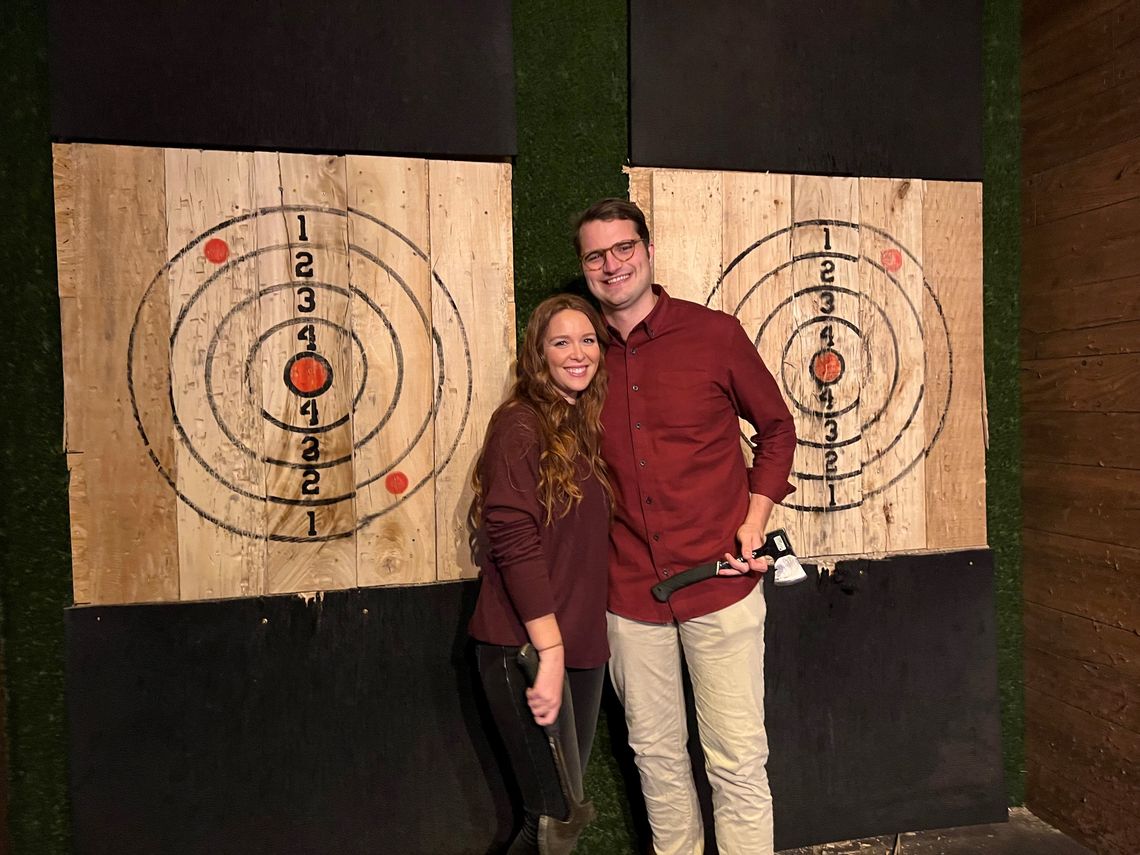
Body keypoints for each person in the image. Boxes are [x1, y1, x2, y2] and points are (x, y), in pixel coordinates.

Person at [573, 198, 797, 855]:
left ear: (646, 249)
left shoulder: (715, 334)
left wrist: (755, 520)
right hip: (631, 598)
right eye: (595, 255)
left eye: (623, 248)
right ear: (584, 267)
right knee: (658, 762)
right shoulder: (580, 357)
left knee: (736, 761)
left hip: (722, 588)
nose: (612, 264)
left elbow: (778, 428)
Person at [468, 293, 613, 855]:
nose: (578, 354)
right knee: (552, 821)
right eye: (561, 342)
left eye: (588, 340)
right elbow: (512, 538)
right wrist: (548, 652)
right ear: (538, 354)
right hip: (524, 647)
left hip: (576, 648)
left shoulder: (580, 428)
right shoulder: (520, 425)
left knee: (563, 817)